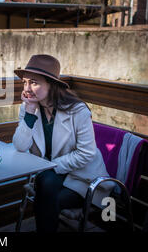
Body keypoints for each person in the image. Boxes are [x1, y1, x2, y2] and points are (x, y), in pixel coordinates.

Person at [13, 54, 112, 232]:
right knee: (46, 183)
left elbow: (86, 153)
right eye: (25, 82)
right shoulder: (29, 107)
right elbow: (20, 146)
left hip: (82, 178)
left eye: (34, 82)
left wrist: (51, 166)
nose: (27, 88)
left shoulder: (78, 111)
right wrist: (29, 113)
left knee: (45, 194)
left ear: (52, 85)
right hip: (51, 178)